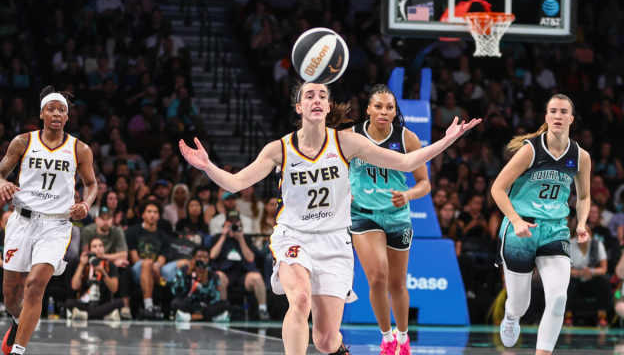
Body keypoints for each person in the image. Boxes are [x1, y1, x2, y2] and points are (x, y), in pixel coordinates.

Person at [179, 81, 480, 355]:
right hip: (293, 237)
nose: (317, 99)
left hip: (334, 242)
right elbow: (236, 183)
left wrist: (446, 140)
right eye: (309, 95)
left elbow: (405, 162)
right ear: (299, 107)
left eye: (322, 95)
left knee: (324, 340)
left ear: (327, 105)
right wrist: (207, 166)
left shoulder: (347, 144)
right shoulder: (279, 149)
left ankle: (339, 349)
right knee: (298, 300)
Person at [0, 86, 97, 355]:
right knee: (11, 295)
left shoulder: (79, 149)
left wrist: (85, 203)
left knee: (36, 284)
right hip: (22, 221)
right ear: (41, 113)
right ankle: (18, 322)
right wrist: (3, 184)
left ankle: (18, 350)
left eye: (62, 110)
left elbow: (92, 184)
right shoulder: (23, 142)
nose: (57, 114)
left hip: (56, 225)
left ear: (67, 117)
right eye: (51, 109)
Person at [490, 94, 591, 354]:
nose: (558, 116)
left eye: (563, 111)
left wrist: (581, 223)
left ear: (571, 118)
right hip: (520, 229)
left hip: (555, 229)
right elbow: (498, 189)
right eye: (553, 111)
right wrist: (515, 220)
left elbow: (584, 196)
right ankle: (511, 318)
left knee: (558, 299)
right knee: (520, 304)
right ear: (546, 117)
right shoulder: (530, 150)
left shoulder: (581, 156)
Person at [345, 84, 430, 355]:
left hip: (397, 216)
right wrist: (343, 192)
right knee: (377, 277)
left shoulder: (407, 139)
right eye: (378, 106)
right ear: (368, 109)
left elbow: (424, 183)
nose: (383, 111)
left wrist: (407, 195)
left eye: (389, 107)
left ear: (395, 111)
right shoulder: (350, 136)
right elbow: (333, 172)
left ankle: (403, 338)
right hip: (362, 215)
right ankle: (386, 336)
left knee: (397, 283)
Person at [66, 236, 123, 320]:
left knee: (120, 302)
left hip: (102, 302)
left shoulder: (110, 265)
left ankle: (85, 315)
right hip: (85, 302)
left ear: (104, 248)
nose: (98, 249)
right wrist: (81, 265)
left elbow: (114, 289)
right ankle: (103, 315)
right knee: (69, 303)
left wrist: (103, 272)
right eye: (94, 246)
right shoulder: (83, 264)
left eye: (100, 246)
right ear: (89, 250)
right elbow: (74, 286)